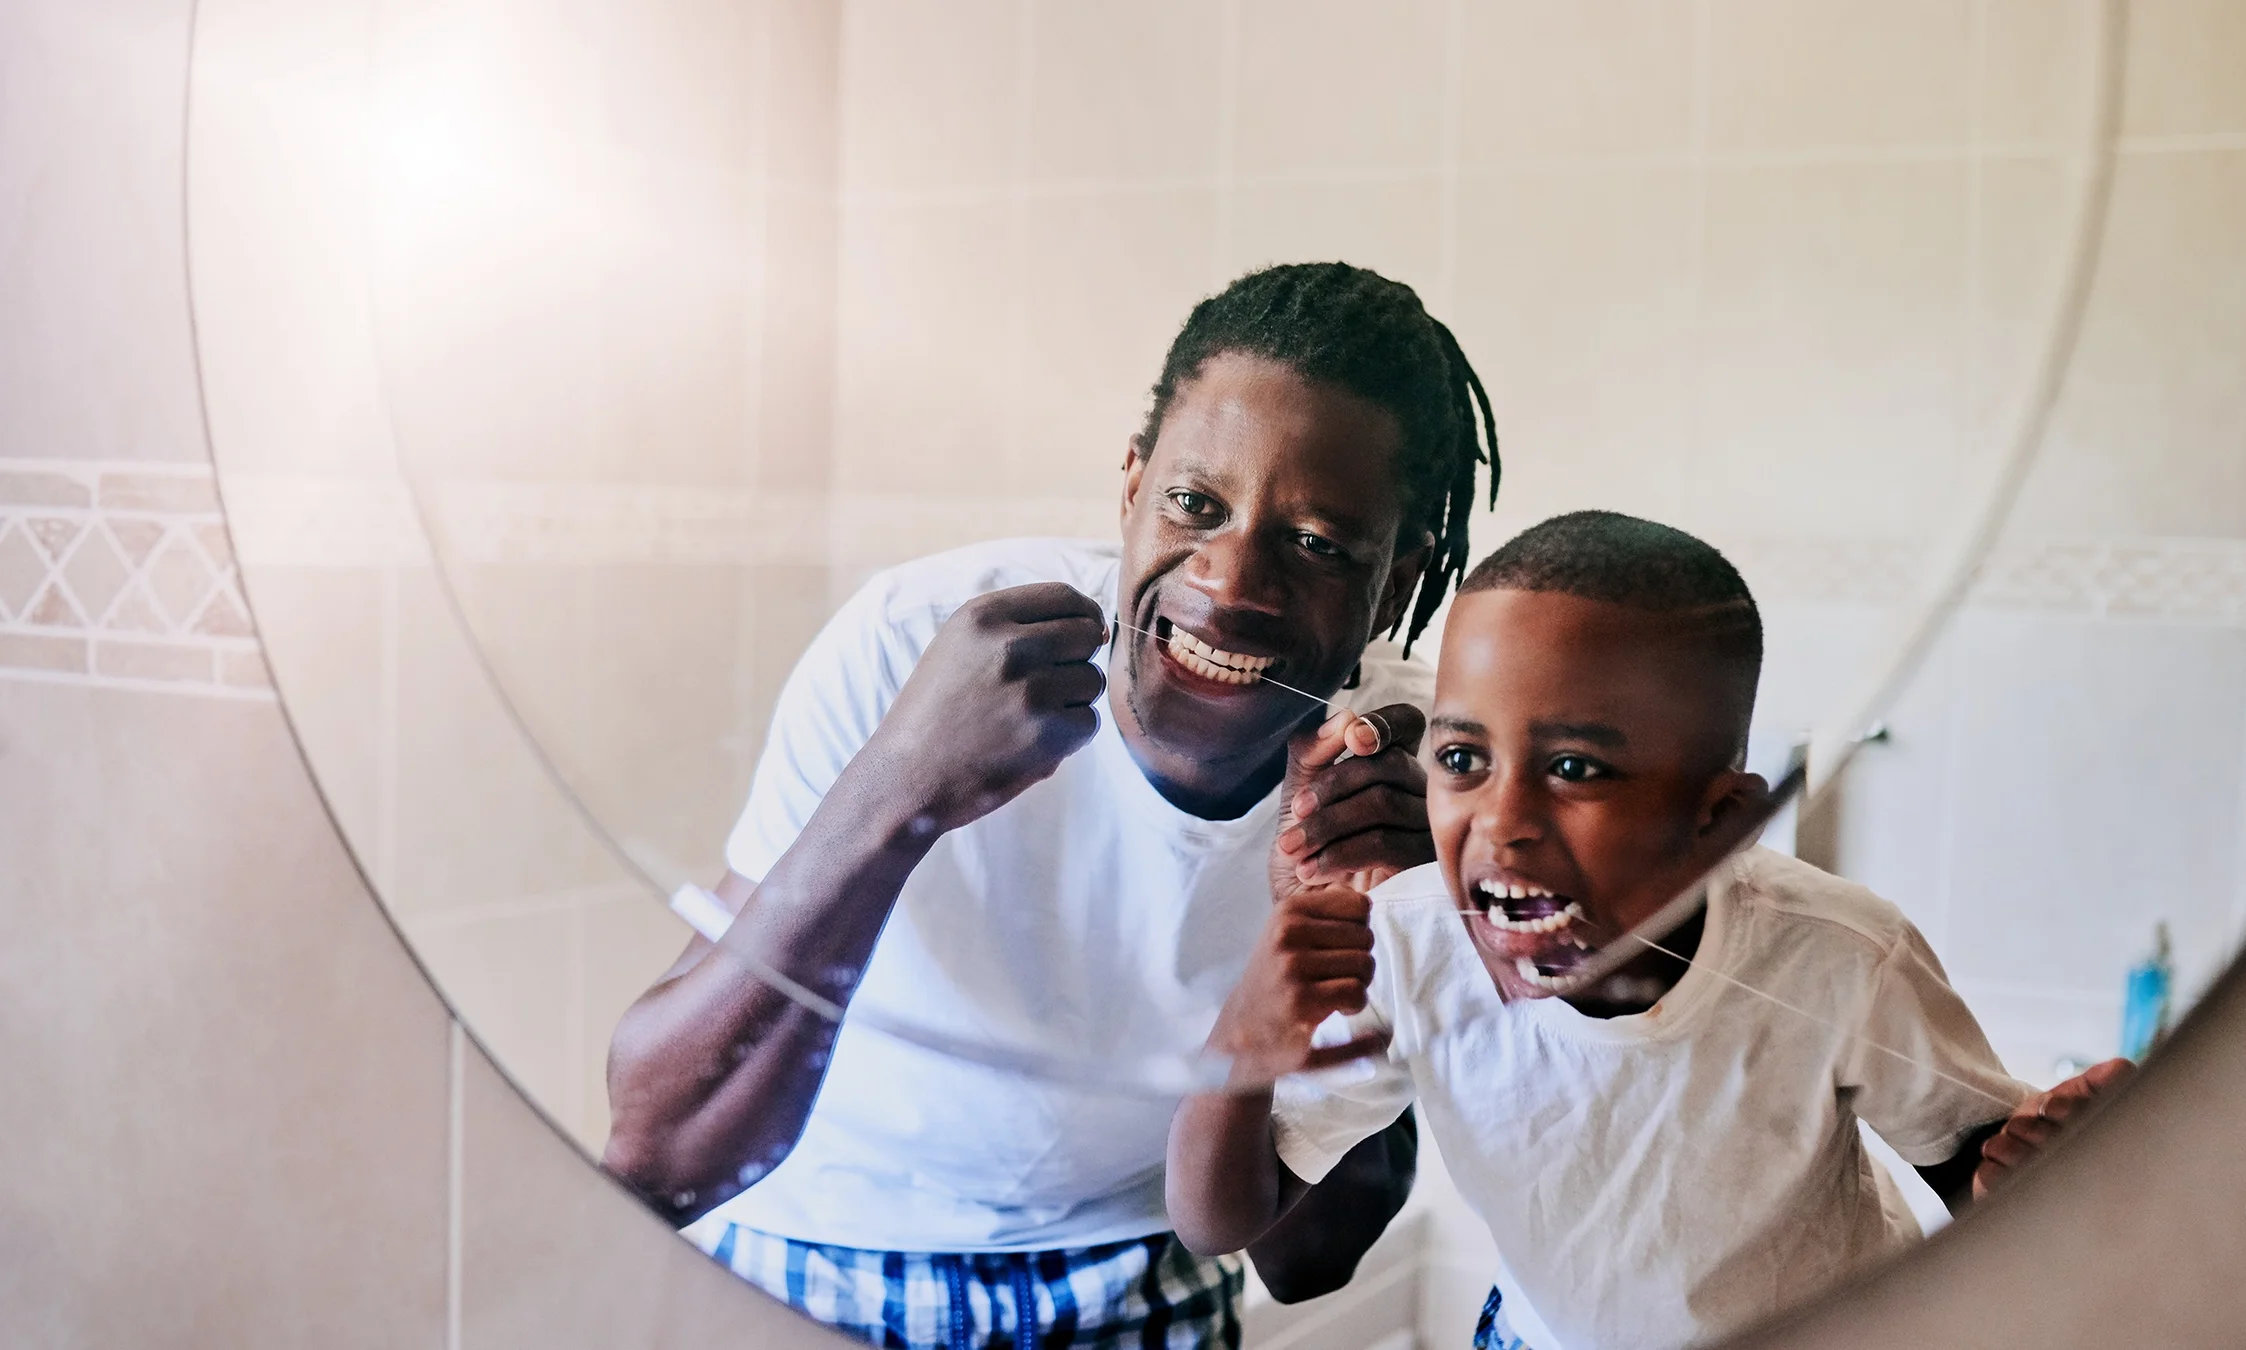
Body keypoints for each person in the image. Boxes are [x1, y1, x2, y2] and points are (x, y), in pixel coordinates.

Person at [602, 263, 1500, 1348]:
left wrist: (1392, 923)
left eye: (1317, 546)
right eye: (1193, 504)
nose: (1230, 579)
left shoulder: (1410, 772)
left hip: (1137, 1278)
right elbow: (659, 1158)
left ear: (1399, 583)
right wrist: (903, 788)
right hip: (802, 1248)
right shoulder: (913, 645)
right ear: (1130, 491)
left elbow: (1308, 1260)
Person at [1166, 511, 2135, 1350]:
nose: (1502, 821)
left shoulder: (1836, 955)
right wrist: (1244, 1039)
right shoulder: (1414, 943)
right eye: (1463, 757)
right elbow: (1220, 1222)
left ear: (1717, 825)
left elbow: (1973, 1164)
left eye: (1577, 770)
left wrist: (2034, 1170)